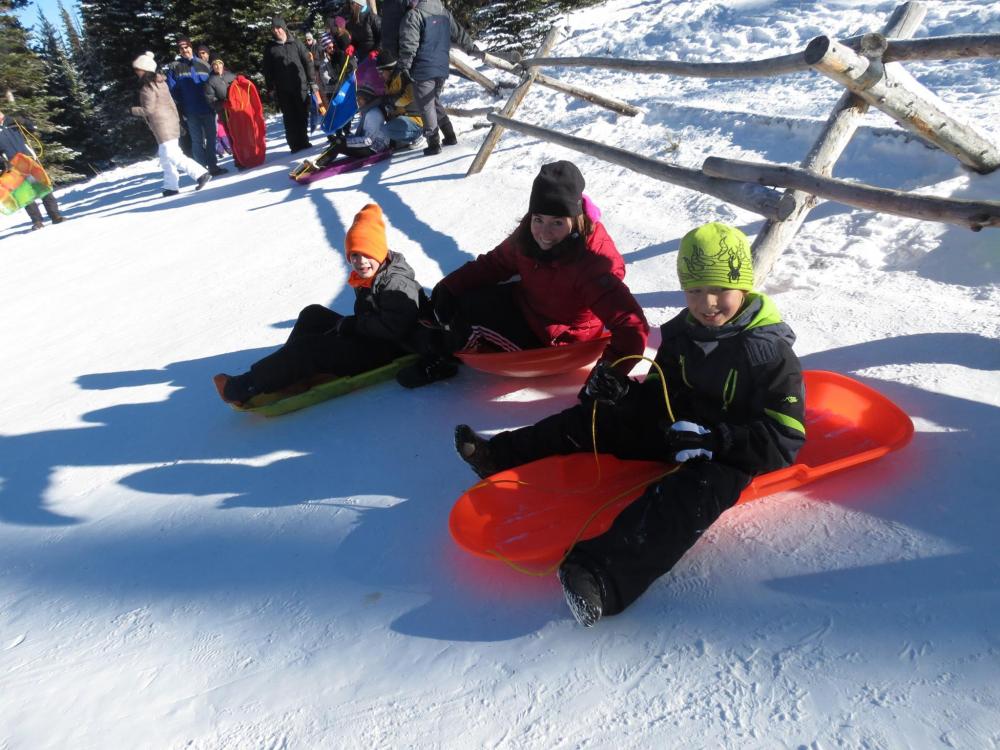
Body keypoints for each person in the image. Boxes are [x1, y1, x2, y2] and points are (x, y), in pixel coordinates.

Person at [454, 222, 807, 627]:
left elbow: (785, 438)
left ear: (743, 286)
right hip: (678, 429)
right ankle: (498, 455)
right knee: (599, 419)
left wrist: (716, 441)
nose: (707, 302)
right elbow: (662, 393)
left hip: (729, 451)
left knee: (688, 495)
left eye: (719, 290)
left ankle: (602, 578)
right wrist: (624, 394)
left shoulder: (770, 354)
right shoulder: (681, 335)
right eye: (694, 290)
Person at [397, 160, 648, 388]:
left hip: (554, 338)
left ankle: (442, 354)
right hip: (528, 304)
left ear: (576, 219)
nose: (544, 233)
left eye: (557, 223)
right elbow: (495, 264)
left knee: (465, 324)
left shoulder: (591, 262)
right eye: (539, 219)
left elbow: (632, 327)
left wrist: (608, 374)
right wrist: (449, 287)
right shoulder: (529, 233)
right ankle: (428, 328)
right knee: (463, 299)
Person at [215, 203, 428, 404]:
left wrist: (354, 325)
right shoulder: (371, 275)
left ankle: (242, 388)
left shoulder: (395, 283)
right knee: (313, 315)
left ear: (379, 251)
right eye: (354, 255)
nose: (360, 261)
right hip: (374, 337)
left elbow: (395, 328)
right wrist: (355, 325)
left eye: (367, 254)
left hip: (393, 349)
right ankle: (290, 375)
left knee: (310, 347)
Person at [394, 0, 482, 154]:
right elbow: (459, 33)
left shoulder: (414, 15)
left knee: (426, 105)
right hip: (442, 67)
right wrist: (472, 49)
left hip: (423, 67)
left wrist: (404, 67)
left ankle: (433, 143)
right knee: (433, 100)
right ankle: (449, 134)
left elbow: (409, 44)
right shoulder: (444, 13)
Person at [129, 52, 211, 197]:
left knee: (173, 155)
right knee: (165, 157)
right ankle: (171, 186)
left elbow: (148, 109)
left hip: (162, 125)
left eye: (138, 69)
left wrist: (132, 110)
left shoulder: (148, 87)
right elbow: (172, 103)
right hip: (169, 122)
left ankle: (201, 174)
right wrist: (177, 120)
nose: (136, 73)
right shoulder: (161, 83)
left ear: (145, 69)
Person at [165, 37, 226, 175]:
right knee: (197, 141)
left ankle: (213, 167)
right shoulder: (175, 67)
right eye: (181, 48)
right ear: (179, 51)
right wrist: (182, 108)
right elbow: (172, 91)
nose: (184, 50)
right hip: (190, 111)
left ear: (191, 47)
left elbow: (213, 83)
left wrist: (216, 102)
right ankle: (202, 171)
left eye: (186, 47)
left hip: (208, 108)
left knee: (211, 139)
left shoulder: (204, 64)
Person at [262, 15, 319, 153]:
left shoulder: (296, 43)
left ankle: (303, 141)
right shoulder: (270, 49)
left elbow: (308, 62)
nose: (276, 31)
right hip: (283, 89)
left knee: (302, 114)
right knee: (289, 117)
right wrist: (271, 88)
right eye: (273, 29)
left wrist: (312, 81)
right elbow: (267, 70)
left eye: (278, 28)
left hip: (300, 86)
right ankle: (294, 144)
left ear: (283, 27)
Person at [0, 109, 64, 230]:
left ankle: (55, 215)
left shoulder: (12, 122)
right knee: (25, 193)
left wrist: (24, 121)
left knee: (43, 187)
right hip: (12, 166)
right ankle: (37, 221)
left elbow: (32, 128)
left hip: (29, 161)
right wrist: (3, 163)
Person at [204, 58, 241, 169]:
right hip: (224, 111)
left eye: (220, 63)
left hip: (236, 110)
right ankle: (238, 159)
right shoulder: (210, 81)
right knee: (231, 135)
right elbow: (210, 99)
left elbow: (239, 89)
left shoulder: (231, 76)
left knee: (241, 133)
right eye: (215, 64)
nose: (218, 66)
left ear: (223, 64)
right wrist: (222, 104)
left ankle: (248, 153)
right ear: (212, 67)